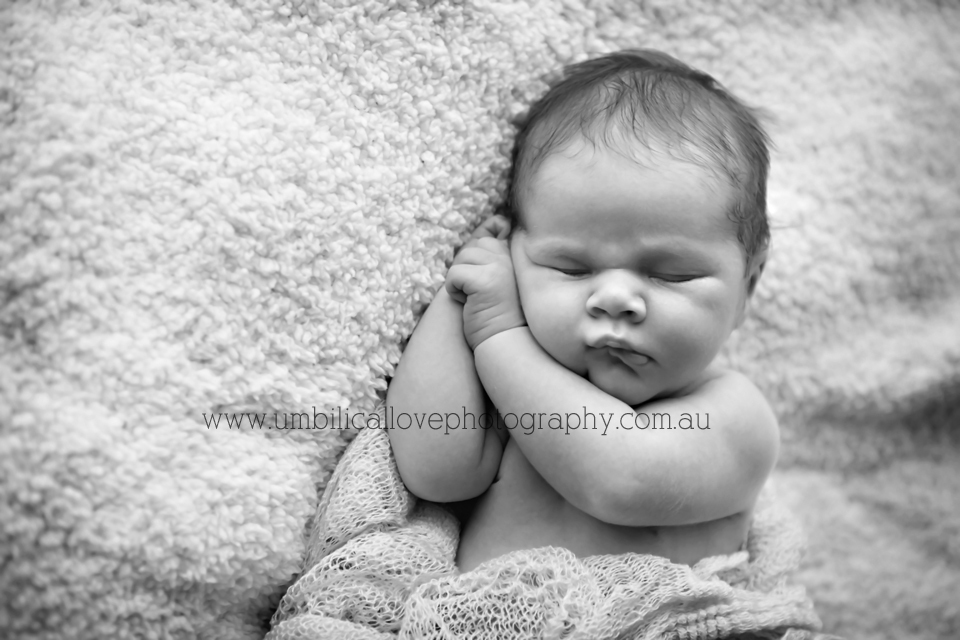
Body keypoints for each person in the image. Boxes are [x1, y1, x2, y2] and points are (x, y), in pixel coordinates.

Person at [386, 49, 779, 573]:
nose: (615, 298)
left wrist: (499, 333)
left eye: (670, 275)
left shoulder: (735, 417)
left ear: (746, 289)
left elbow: (621, 479)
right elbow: (434, 469)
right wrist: (461, 296)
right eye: (570, 267)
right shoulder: (513, 403)